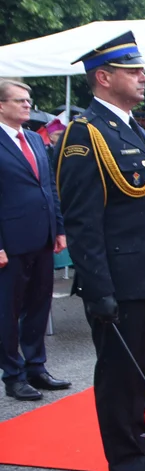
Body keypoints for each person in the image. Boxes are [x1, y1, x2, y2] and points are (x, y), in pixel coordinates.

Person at [58, 31, 145, 471]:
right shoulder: (83, 135)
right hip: (116, 282)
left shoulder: (133, 129)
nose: (143, 76)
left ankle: (142, 451)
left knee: (140, 373)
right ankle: (125, 470)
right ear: (103, 78)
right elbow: (84, 221)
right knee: (117, 376)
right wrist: (98, 288)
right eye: (133, 71)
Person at [0, 79, 70, 401]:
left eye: (29, 100)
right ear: (1, 105)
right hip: (10, 242)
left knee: (39, 306)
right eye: (20, 100)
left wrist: (58, 228)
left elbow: (49, 188)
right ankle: (12, 376)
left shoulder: (34, 139)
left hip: (41, 237)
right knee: (7, 311)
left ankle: (36, 367)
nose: (28, 105)